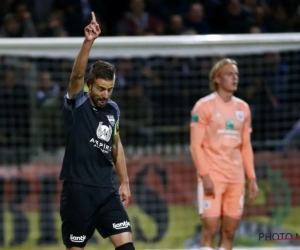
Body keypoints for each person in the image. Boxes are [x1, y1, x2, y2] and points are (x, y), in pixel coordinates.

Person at [59, 12, 134, 250]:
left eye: (110, 89)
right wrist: (88, 42)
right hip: (78, 191)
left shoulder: (113, 109)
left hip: (106, 191)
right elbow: (77, 75)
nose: (105, 95)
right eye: (101, 89)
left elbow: (116, 144)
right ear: (90, 85)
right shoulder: (77, 103)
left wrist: (125, 182)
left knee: (127, 246)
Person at [190, 58, 259, 250]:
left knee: (229, 232)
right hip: (212, 175)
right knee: (211, 228)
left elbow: (246, 145)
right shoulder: (203, 106)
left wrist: (251, 177)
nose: (234, 78)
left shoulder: (243, 108)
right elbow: (195, 145)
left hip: (236, 178)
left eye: (236, 75)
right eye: (229, 74)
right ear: (217, 78)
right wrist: (204, 175)